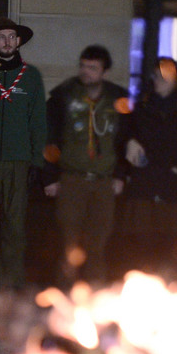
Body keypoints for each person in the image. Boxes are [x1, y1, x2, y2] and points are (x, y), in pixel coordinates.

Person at [0, 17, 46, 295]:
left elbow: (38, 121)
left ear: (18, 41)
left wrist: (37, 161)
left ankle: (12, 286)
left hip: (19, 159)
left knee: (15, 225)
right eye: (1, 37)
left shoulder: (32, 76)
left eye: (11, 37)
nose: (7, 42)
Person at [43, 44, 128, 286]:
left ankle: (95, 298)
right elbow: (49, 137)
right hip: (72, 179)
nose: (86, 71)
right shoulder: (63, 96)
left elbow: (125, 139)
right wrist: (50, 176)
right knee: (69, 243)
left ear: (105, 71)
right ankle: (65, 296)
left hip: (104, 181)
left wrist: (121, 175)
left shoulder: (118, 100)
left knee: (98, 243)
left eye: (93, 67)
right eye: (83, 66)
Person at [114, 57, 177, 279]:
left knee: (171, 244)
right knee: (139, 244)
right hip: (143, 187)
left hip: (171, 189)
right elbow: (124, 136)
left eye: (165, 76)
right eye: (156, 75)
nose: (159, 80)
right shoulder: (141, 107)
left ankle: (169, 288)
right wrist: (130, 142)